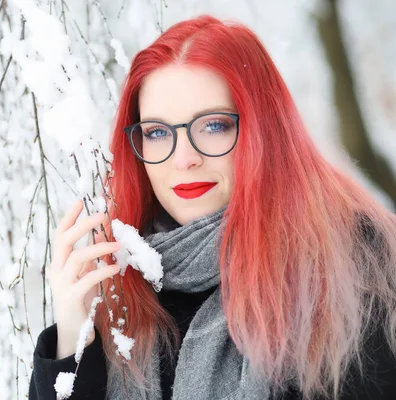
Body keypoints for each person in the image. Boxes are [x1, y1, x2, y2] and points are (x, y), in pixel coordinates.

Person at [29, 15, 396, 400]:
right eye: (157, 132)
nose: (184, 158)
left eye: (214, 125)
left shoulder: (355, 272)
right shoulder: (120, 287)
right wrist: (73, 342)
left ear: (264, 130)